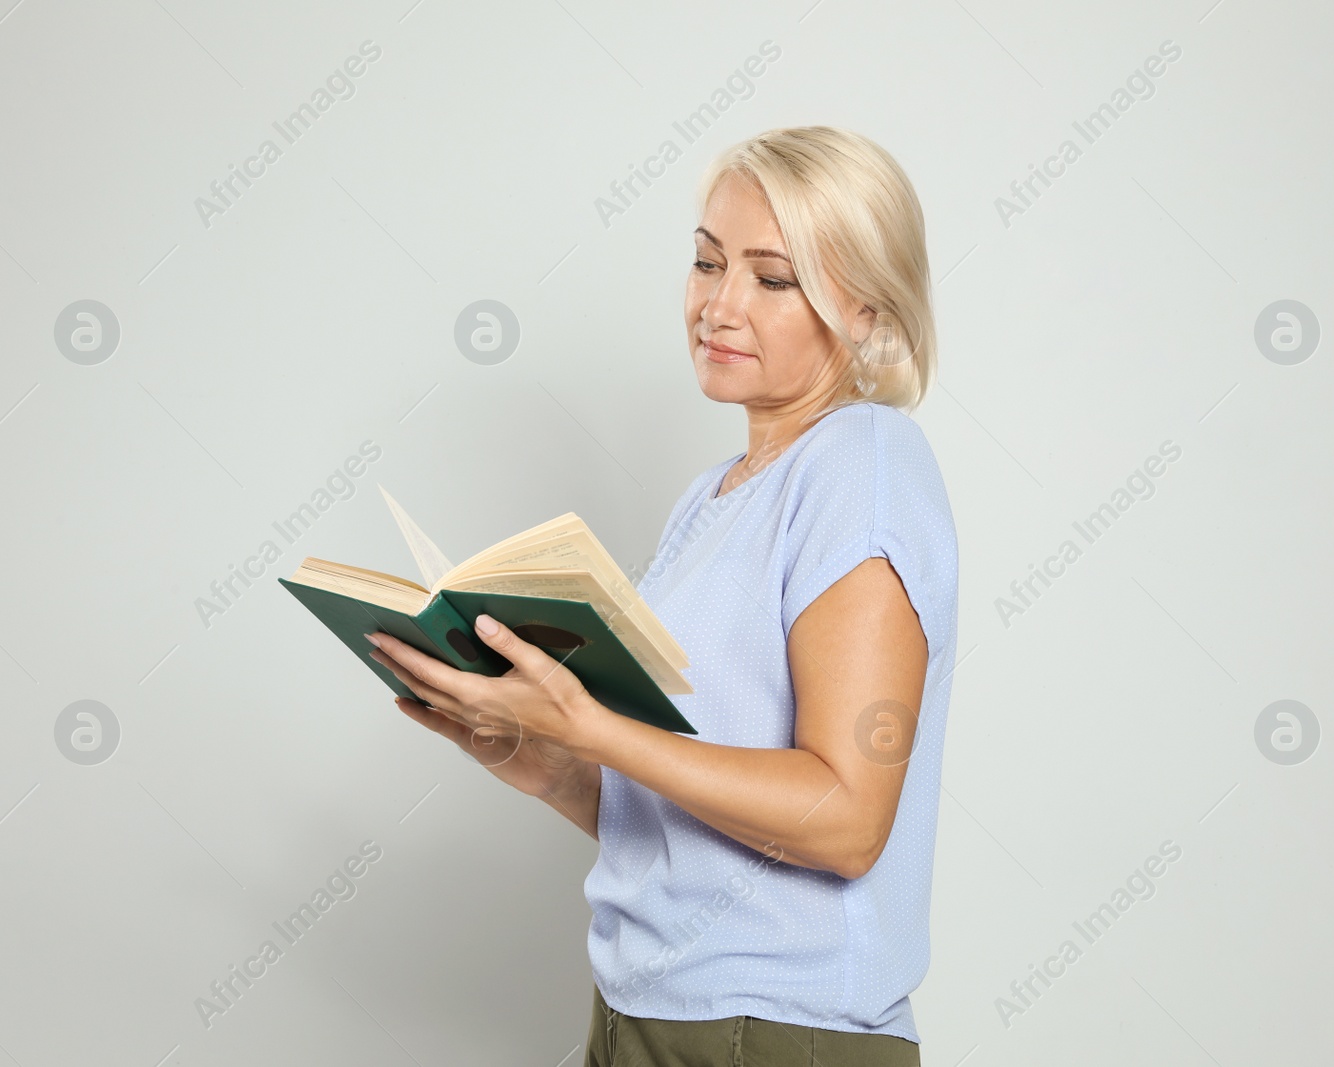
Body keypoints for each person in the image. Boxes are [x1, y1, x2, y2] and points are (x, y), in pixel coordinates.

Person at [365, 125, 958, 1066]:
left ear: (870, 315)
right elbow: (699, 806)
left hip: (769, 1034)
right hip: (644, 1014)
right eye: (706, 262)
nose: (718, 305)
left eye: (772, 278)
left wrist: (593, 728)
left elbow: (846, 818)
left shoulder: (862, 466)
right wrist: (547, 756)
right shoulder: (716, 494)